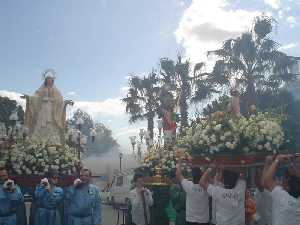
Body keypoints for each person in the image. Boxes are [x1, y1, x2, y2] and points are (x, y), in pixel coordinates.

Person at [23, 69, 72, 145]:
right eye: (48, 79)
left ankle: (52, 142)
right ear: (45, 80)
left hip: (52, 110)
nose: (49, 81)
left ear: (52, 81)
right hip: (43, 108)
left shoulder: (56, 91)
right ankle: (38, 141)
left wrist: (65, 102)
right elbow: (35, 97)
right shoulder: (41, 89)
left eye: (50, 80)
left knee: (51, 125)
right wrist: (28, 98)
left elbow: (60, 101)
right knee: (41, 124)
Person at [263, 154, 300, 225]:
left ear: (288, 187)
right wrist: (291, 163)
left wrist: (276, 160)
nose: (282, 183)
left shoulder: (281, 196)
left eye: (284, 182)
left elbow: (266, 181)